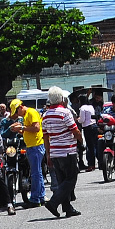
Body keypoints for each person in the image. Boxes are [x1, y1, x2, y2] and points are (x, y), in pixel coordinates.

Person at [43, 86, 83, 218]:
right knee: (71, 179)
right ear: (61, 98)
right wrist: (80, 139)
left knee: (62, 181)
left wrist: (48, 154)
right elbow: (74, 130)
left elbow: (46, 137)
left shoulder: (45, 115)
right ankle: (53, 202)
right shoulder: (64, 112)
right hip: (67, 151)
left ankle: (67, 207)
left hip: (54, 152)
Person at [9, 97, 46, 205]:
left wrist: (22, 128)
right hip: (32, 146)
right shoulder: (26, 115)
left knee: (35, 174)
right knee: (37, 173)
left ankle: (35, 199)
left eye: (16, 111)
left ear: (20, 107)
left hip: (35, 146)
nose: (17, 114)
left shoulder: (31, 112)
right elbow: (29, 131)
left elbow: (36, 128)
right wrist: (19, 130)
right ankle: (41, 196)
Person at [77, 96, 98, 171]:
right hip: (94, 126)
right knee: (95, 145)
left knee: (89, 147)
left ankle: (91, 164)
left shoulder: (82, 108)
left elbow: (82, 120)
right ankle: (97, 162)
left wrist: (78, 120)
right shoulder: (91, 107)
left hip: (87, 128)